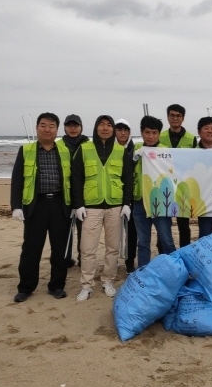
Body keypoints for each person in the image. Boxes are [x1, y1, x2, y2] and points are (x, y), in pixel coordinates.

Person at [10, 112, 71, 302]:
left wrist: (76, 205)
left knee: (60, 249)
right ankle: (26, 287)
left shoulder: (64, 151)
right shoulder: (26, 150)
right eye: (43, 125)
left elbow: (73, 179)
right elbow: (17, 179)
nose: (47, 129)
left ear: (57, 129)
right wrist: (16, 206)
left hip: (60, 205)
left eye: (51, 126)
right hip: (36, 206)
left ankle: (57, 285)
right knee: (31, 248)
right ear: (37, 128)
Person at [72, 115, 133, 301]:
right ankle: (87, 285)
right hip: (91, 207)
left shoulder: (121, 151)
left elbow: (128, 179)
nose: (105, 128)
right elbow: (76, 178)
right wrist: (78, 205)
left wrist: (127, 204)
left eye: (109, 125)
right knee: (88, 248)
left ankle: (108, 281)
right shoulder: (84, 149)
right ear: (96, 127)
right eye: (101, 124)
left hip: (115, 206)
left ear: (113, 129)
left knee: (112, 248)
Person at [132, 115, 176, 267]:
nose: (151, 136)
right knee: (143, 241)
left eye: (154, 133)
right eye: (147, 132)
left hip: (161, 202)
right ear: (141, 132)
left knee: (166, 240)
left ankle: (172, 269)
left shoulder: (166, 152)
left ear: (159, 134)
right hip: (139, 202)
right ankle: (143, 272)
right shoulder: (136, 151)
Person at [159, 104, 197, 248]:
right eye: (172, 115)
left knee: (184, 226)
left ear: (183, 118)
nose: (175, 118)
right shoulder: (160, 136)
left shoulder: (191, 139)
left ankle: (184, 252)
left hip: (183, 188)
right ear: (168, 117)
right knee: (163, 224)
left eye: (178, 116)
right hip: (164, 187)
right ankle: (163, 253)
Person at [61, 114, 89, 268]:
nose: (72, 128)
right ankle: (65, 258)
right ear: (65, 127)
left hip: (83, 194)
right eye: (69, 125)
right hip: (64, 193)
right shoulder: (59, 145)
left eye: (75, 125)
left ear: (81, 127)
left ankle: (82, 258)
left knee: (83, 229)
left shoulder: (88, 145)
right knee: (65, 229)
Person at [115, 118, 138, 273]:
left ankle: (130, 262)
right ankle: (112, 261)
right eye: (120, 129)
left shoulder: (136, 150)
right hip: (114, 196)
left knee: (132, 232)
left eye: (126, 130)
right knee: (114, 233)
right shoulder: (109, 149)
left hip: (132, 197)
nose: (123, 133)